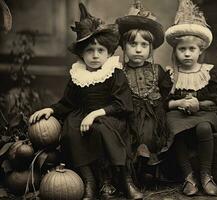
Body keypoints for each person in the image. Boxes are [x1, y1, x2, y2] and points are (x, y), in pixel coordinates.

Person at [29, 3, 143, 199]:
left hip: (110, 115)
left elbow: (122, 105)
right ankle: (89, 181)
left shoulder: (114, 74)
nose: (95, 55)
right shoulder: (78, 75)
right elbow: (68, 102)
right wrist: (51, 110)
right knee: (70, 131)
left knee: (102, 129)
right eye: (90, 50)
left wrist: (95, 114)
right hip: (81, 115)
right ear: (82, 53)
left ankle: (124, 180)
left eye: (100, 50)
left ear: (108, 53)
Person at [164, 0, 217, 196]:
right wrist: (180, 103)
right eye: (182, 49)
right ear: (175, 51)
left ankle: (206, 174)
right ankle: (188, 176)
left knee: (203, 127)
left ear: (200, 50)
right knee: (176, 127)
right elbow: (164, 102)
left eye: (191, 49)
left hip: (205, 113)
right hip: (178, 114)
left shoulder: (208, 72)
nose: (186, 53)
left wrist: (197, 103)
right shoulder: (170, 75)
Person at [115, 0, 173, 183]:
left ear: (151, 48)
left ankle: (151, 168)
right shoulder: (118, 72)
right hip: (128, 113)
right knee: (127, 133)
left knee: (150, 132)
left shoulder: (158, 70)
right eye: (133, 45)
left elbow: (166, 93)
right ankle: (133, 172)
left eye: (144, 45)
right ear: (124, 47)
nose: (138, 50)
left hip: (153, 113)